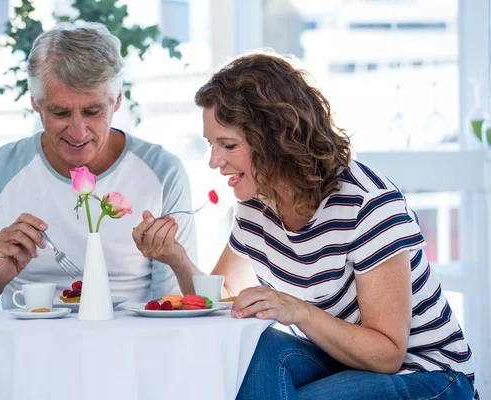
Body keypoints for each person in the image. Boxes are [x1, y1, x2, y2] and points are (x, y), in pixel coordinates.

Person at [133, 51, 476, 399]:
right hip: (340, 360)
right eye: (211, 144)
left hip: (430, 372)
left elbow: (387, 354)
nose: (214, 161)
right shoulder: (256, 204)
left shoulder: (367, 203)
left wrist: (298, 311)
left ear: (275, 138)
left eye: (229, 145)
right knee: (257, 345)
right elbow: (221, 301)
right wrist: (175, 257)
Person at [0, 22, 198, 335]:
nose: (78, 132)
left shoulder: (162, 172)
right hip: (26, 365)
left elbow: (179, 316)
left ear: (117, 101)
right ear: (36, 104)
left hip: (130, 361)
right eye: (60, 112)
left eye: (92, 111)